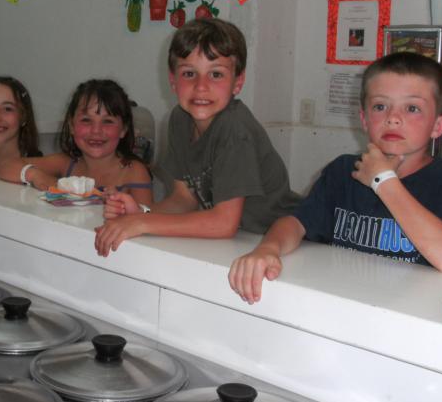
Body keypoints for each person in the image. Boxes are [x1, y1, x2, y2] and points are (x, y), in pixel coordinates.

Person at [229, 51, 442, 304]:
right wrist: (268, 249)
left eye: (412, 108)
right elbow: (296, 222)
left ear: (438, 126)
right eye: (380, 106)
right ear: (364, 119)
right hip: (350, 308)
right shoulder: (343, 171)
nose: (393, 118)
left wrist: (383, 181)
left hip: (422, 322)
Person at [95, 18, 299, 257]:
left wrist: (141, 223)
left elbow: (223, 223)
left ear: (238, 82)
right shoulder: (180, 119)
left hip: (285, 241)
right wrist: (143, 211)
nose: (201, 86)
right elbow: (184, 199)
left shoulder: (234, 128)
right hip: (242, 241)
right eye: (189, 73)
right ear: (173, 80)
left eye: (216, 74)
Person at [0, 79, 152, 205]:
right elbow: (6, 166)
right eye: (86, 120)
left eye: (108, 121)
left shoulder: (134, 171)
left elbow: (146, 221)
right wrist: (35, 175)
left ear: (124, 129)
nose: (96, 130)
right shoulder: (66, 163)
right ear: (71, 126)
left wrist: (123, 208)